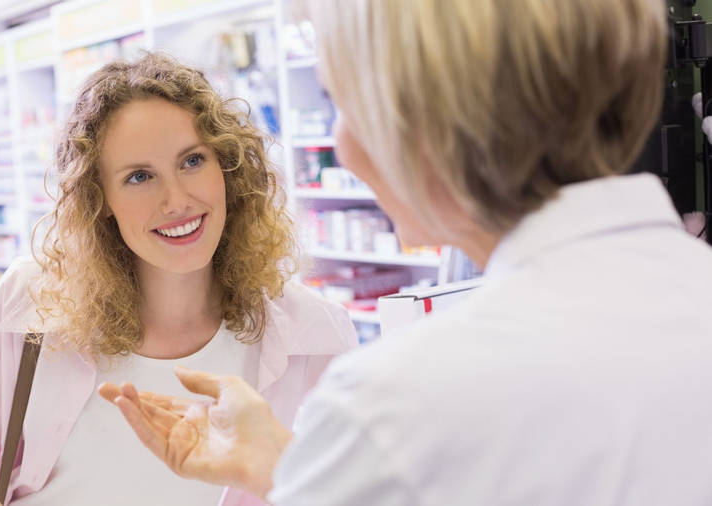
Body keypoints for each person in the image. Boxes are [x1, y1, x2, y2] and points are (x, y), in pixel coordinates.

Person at [97, 0, 712, 505]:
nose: (343, 143)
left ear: (421, 122)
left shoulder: (395, 405)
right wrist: (291, 467)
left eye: (343, 103)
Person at [0, 53, 357, 506]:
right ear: (100, 200)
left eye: (192, 161)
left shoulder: (312, 334)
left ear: (228, 168)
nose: (177, 201)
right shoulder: (31, 303)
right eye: (139, 177)